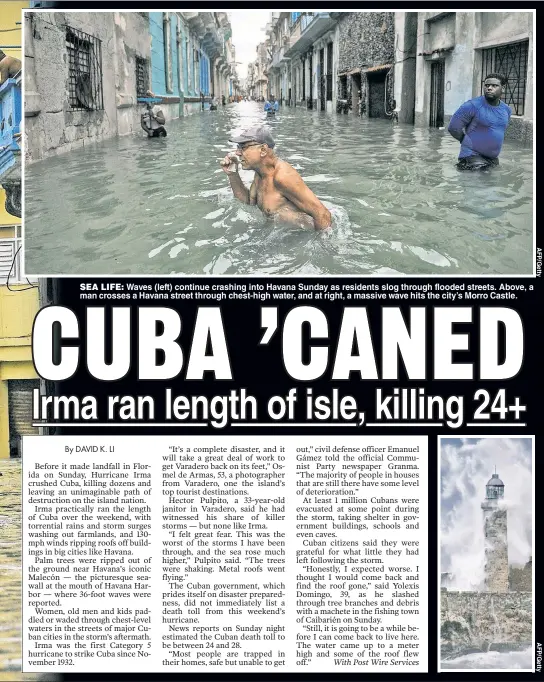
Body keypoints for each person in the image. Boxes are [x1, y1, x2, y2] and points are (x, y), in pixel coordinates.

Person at [220, 125, 332, 230]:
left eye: (243, 147)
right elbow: (249, 202)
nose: (237, 153)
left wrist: (324, 247)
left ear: (263, 150)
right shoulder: (260, 174)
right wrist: (233, 174)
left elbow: (322, 214)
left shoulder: (283, 177)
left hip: (300, 237)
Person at [448, 73, 512, 170]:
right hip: (471, 156)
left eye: (494, 86)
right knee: (478, 184)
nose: (489, 88)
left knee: (493, 184)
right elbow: (453, 128)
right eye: (487, 85)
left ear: (503, 88)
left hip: (492, 158)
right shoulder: (471, 105)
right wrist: (466, 141)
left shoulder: (506, 109)